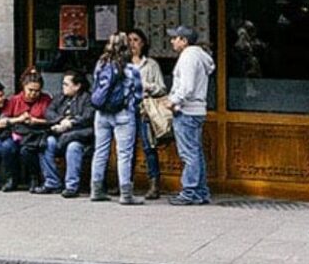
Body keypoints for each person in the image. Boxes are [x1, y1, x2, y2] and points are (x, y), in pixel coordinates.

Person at [89, 32, 144, 205]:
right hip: (123, 114)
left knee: (100, 151)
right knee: (124, 154)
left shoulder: (100, 65)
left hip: (102, 114)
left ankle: (96, 190)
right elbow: (139, 94)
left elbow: (96, 87)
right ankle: (126, 194)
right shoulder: (131, 69)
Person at [167, 24, 215, 206]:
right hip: (197, 110)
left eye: (175, 38)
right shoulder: (199, 56)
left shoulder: (188, 57)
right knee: (195, 152)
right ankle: (201, 192)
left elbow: (186, 86)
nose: (172, 41)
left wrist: (173, 100)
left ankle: (189, 191)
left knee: (189, 154)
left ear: (184, 41)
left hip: (186, 110)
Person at [36, 69, 94, 197]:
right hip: (59, 135)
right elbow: (49, 112)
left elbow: (88, 117)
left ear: (77, 86)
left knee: (73, 147)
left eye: (66, 84)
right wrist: (61, 120)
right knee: (47, 143)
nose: (63, 87)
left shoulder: (87, 99)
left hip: (79, 136)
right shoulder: (60, 97)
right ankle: (52, 182)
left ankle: (71, 186)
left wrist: (71, 122)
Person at [0, 71, 52, 192]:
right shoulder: (14, 100)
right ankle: (11, 178)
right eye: (30, 90)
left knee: (26, 150)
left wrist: (36, 121)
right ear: (23, 86)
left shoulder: (45, 99)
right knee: (7, 147)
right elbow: (3, 120)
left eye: (37, 91)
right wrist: (19, 119)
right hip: (17, 133)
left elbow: (52, 120)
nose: (33, 94)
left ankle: (34, 178)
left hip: (36, 134)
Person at [129, 28, 167, 199]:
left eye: (136, 40)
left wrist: (149, 87)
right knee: (126, 149)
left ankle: (154, 184)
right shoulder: (123, 63)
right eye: (129, 40)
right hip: (127, 110)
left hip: (145, 111)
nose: (132, 44)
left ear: (143, 43)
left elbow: (162, 88)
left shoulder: (151, 64)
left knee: (148, 147)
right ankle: (126, 183)